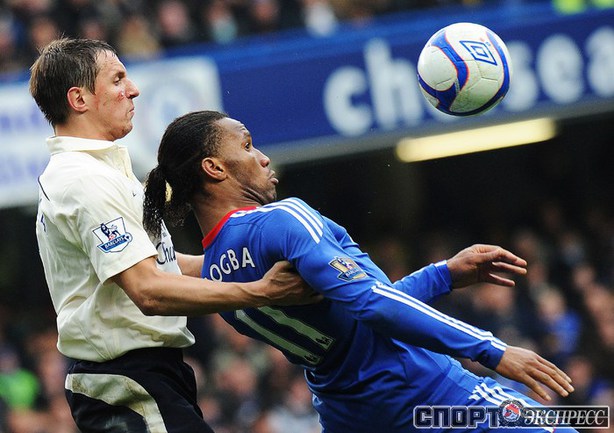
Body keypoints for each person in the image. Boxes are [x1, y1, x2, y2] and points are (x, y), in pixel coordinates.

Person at [142, 110, 578, 433]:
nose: (263, 157)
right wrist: (492, 350)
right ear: (214, 168)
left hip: (354, 416)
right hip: (430, 393)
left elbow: (352, 321)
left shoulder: (216, 279)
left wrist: (443, 274)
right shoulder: (282, 219)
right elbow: (371, 305)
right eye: (247, 145)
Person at [30, 39, 318, 433]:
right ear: (79, 99)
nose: (133, 89)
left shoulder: (99, 171)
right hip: (127, 379)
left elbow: (162, 263)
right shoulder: (85, 181)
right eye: (117, 79)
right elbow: (147, 289)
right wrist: (263, 291)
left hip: (145, 376)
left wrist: (250, 262)